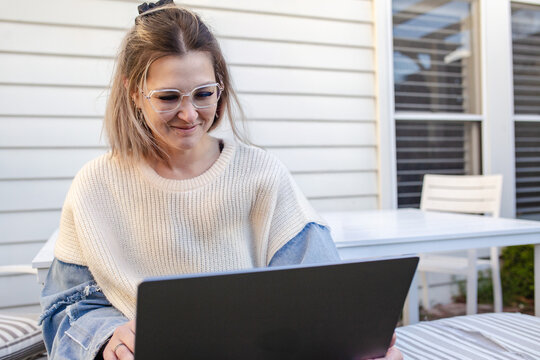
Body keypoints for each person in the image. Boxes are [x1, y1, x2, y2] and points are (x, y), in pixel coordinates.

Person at [39, 2, 403, 360]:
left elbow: (323, 297)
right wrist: (108, 339)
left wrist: (358, 348)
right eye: (168, 97)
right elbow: (66, 310)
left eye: (203, 94)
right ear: (134, 91)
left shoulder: (262, 174)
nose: (188, 114)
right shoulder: (94, 186)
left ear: (220, 87)